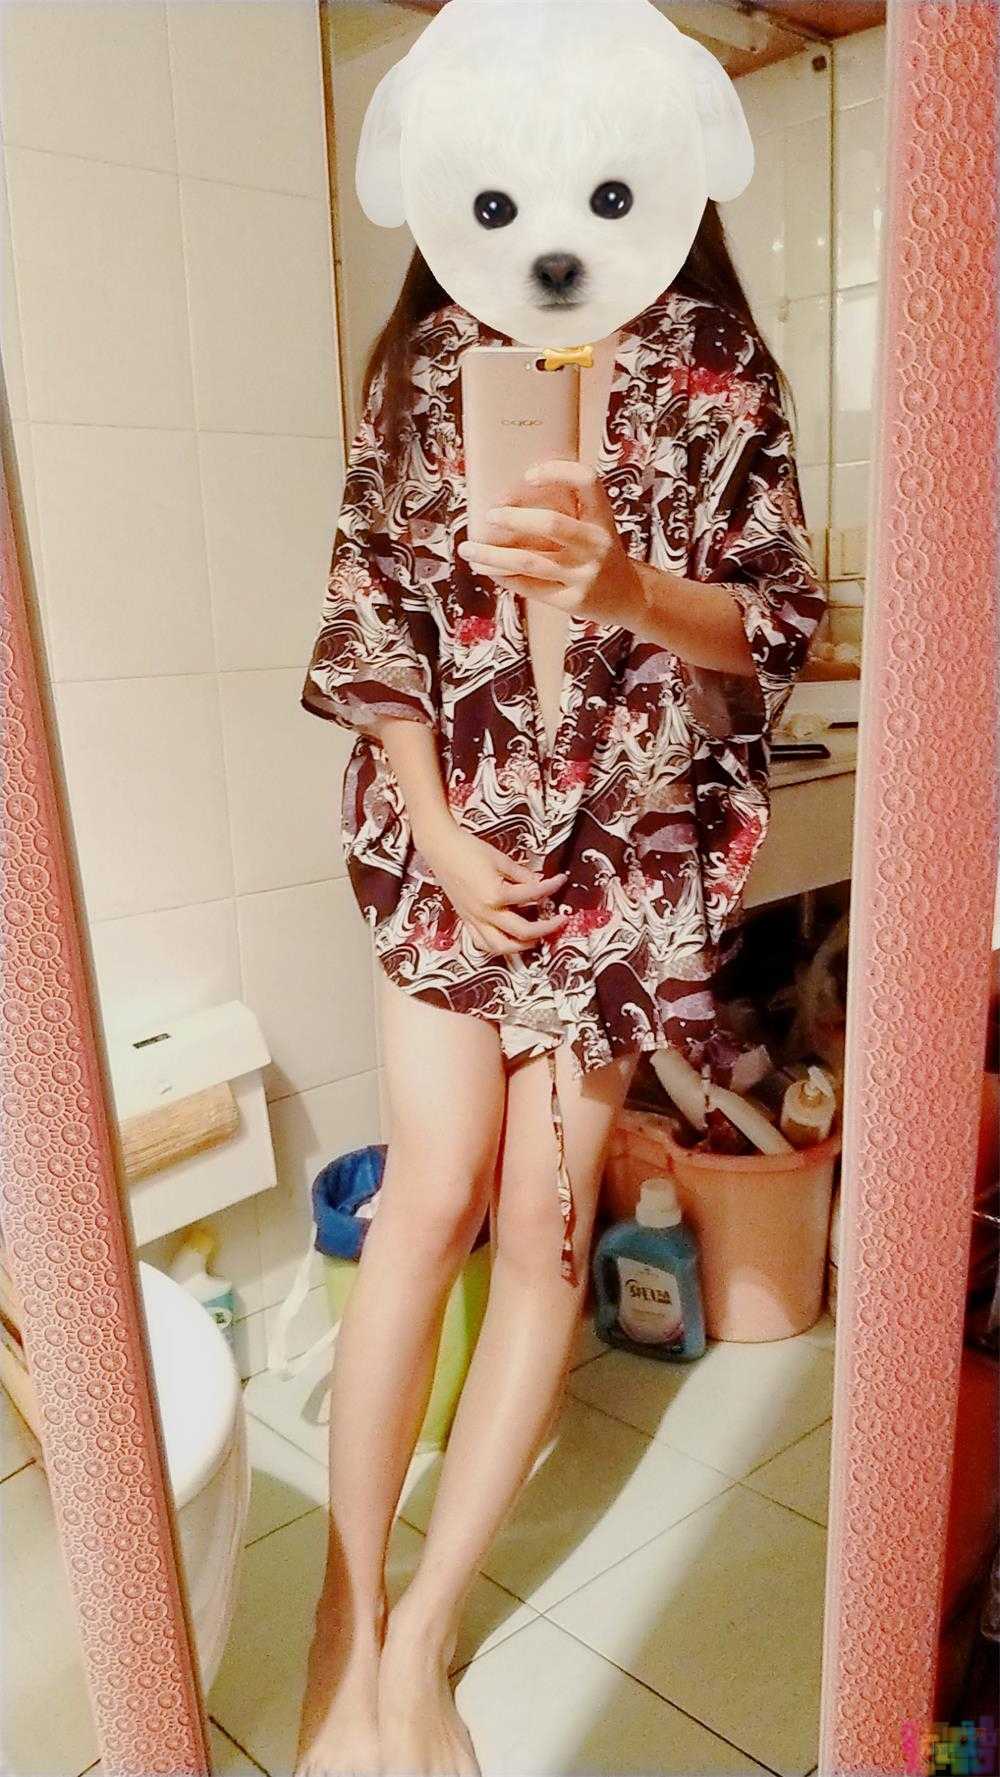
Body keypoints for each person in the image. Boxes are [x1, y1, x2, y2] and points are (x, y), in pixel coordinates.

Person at [294, 202, 827, 1777]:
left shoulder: (715, 363)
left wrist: (626, 585)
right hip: (448, 845)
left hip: (619, 856)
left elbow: (774, 625)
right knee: (431, 1193)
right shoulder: (430, 361)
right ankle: (343, 1618)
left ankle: (422, 1638)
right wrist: (441, 833)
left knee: (545, 1232)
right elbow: (373, 613)